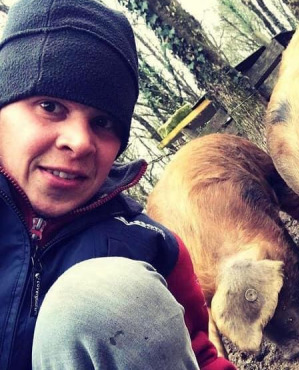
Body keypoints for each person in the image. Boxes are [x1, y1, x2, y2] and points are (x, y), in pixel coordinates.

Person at [0, 0, 236, 369]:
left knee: (104, 296)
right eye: (50, 106)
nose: (79, 142)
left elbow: (199, 355)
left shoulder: (148, 244)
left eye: (103, 122)